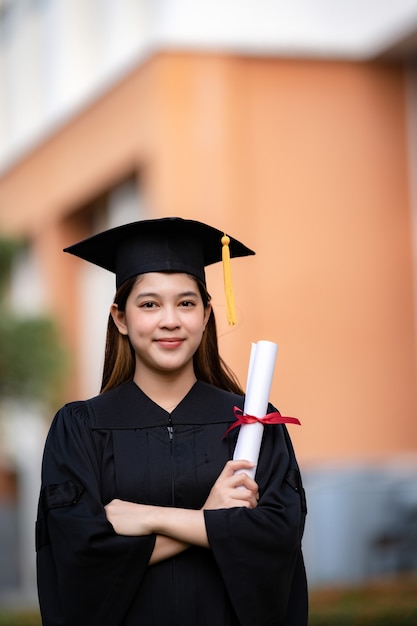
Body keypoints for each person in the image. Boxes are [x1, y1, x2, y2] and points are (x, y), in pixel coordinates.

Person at [36, 217, 308, 626]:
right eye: (149, 304)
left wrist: (151, 517)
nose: (170, 320)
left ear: (205, 314)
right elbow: (79, 553)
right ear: (121, 318)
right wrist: (212, 519)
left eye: (186, 303)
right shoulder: (81, 428)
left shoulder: (253, 423)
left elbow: (277, 538)